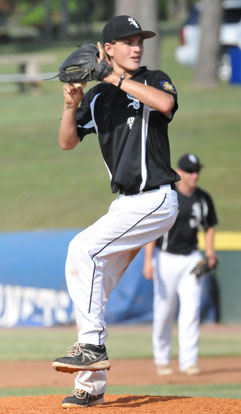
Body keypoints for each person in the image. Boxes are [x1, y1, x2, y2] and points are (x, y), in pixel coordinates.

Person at [52, 15, 180, 408]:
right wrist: (71, 105)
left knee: (81, 249)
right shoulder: (97, 98)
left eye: (138, 39)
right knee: (94, 289)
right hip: (125, 204)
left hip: (155, 199)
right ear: (108, 49)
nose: (136, 46)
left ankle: (90, 346)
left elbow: (165, 104)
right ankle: (91, 387)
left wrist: (114, 78)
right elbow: (67, 142)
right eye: (126, 41)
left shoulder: (153, 79)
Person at [143, 153, 218, 376]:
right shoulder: (168, 195)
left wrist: (210, 252)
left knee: (191, 310)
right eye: (189, 171)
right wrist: (148, 261)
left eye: (197, 171)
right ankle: (162, 359)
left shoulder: (203, 198)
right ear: (180, 172)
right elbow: (153, 229)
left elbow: (210, 226)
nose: (194, 175)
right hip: (165, 258)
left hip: (192, 259)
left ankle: (189, 361)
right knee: (164, 310)